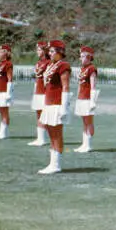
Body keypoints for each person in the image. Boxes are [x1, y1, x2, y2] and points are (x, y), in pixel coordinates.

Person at [38, 40, 72, 174]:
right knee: (50, 132)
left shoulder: (63, 66)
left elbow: (66, 87)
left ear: (60, 52)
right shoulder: (51, 65)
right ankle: (52, 163)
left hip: (57, 103)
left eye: (52, 51)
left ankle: (56, 164)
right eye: (49, 51)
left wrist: (64, 108)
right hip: (49, 102)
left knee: (56, 134)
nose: (50, 54)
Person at [73, 46, 99, 153]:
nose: (81, 58)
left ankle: (88, 144)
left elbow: (93, 86)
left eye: (83, 56)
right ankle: (84, 144)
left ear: (89, 57)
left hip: (88, 98)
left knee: (88, 122)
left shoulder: (92, 69)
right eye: (80, 56)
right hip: (81, 98)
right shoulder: (82, 69)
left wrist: (93, 101)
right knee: (84, 122)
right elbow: (80, 85)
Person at [28, 41, 50, 146]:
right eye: (37, 49)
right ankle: (40, 138)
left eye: (39, 49)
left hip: (45, 92)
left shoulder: (48, 63)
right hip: (38, 91)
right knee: (38, 115)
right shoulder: (38, 63)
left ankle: (43, 138)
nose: (37, 51)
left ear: (45, 51)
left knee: (44, 115)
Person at [0, 44, 14, 139]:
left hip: (4, 91)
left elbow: (10, 78)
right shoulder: (1, 64)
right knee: (1, 112)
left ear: (6, 53)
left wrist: (9, 93)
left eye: (1, 51)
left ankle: (3, 133)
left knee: (4, 112)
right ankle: (3, 131)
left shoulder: (8, 64)